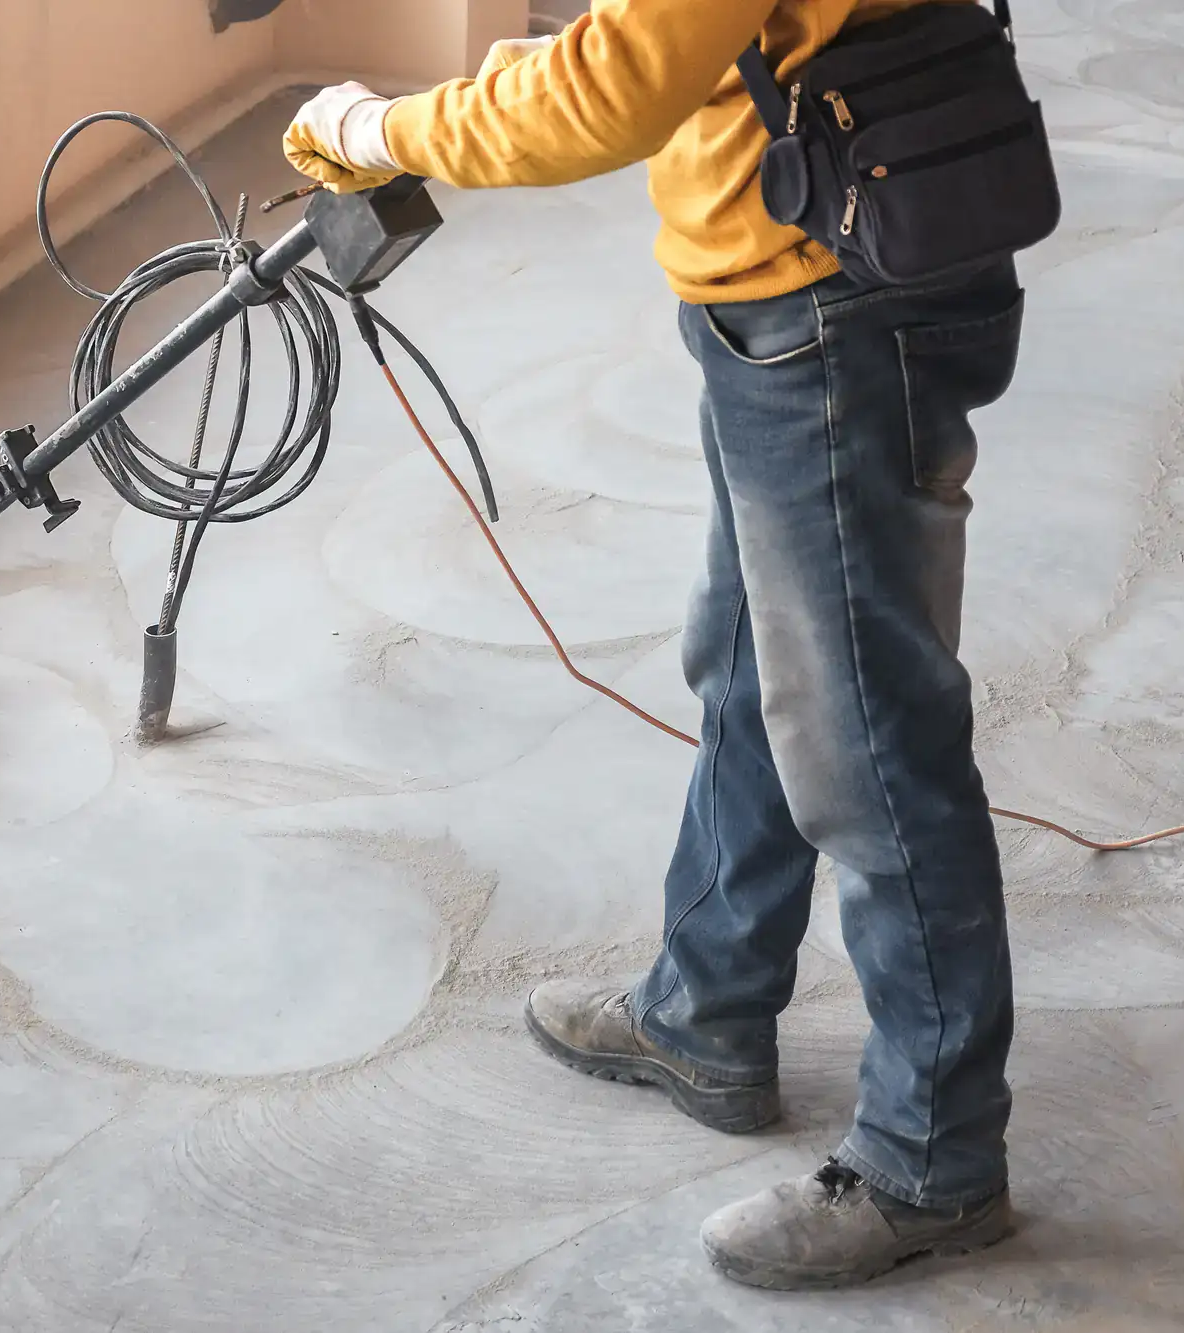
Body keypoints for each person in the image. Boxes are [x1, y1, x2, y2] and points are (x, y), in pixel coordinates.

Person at [283, 0, 1024, 1293]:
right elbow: (682, 41)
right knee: (746, 663)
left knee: (867, 746)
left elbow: (613, 90)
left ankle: (931, 1158)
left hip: (828, 309)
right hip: (810, 275)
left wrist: (375, 127)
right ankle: (706, 1007)